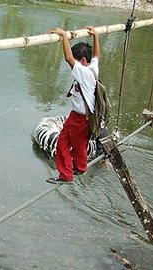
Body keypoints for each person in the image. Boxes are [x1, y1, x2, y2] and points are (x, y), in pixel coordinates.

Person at [46, 26, 100, 185]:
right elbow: (96, 55)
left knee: (67, 144)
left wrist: (64, 36)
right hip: (79, 116)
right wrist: (96, 37)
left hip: (80, 118)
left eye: (77, 61)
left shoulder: (84, 73)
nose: (73, 65)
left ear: (83, 60)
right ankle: (80, 168)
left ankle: (66, 175)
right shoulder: (93, 66)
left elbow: (69, 59)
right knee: (75, 144)